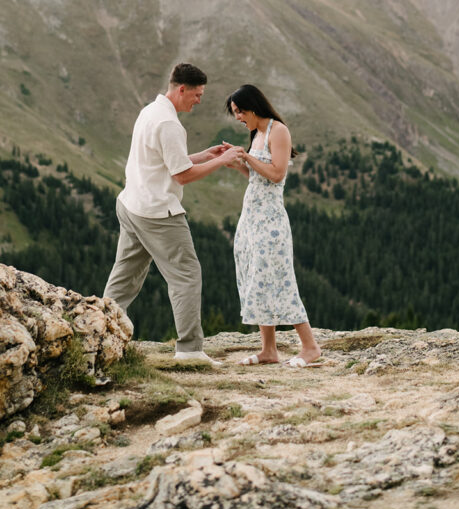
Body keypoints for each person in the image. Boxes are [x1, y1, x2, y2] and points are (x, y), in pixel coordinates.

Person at [104, 63, 242, 365]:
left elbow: (166, 162)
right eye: (197, 94)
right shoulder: (169, 124)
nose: (199, 100)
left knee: (124, 278)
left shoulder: (150, 112)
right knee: (187, 275)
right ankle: (190, 350)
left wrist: (204, 155)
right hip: (157, 213)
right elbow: (182, 176)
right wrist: (224, 160)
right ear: (182, 89)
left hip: (131, 204)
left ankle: (99, 335)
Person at [225, 84, 322, 367]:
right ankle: (269, 350)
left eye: (239, 112)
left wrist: (247, 157)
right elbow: (258, 176)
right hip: (251, 217)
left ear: (252, 107)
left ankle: (310, 346)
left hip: (271, 220)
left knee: (279, 278)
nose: (238, 118)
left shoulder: (278, 131)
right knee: (257, 277)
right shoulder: (256, 134)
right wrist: (239, 164)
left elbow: (277, 174)